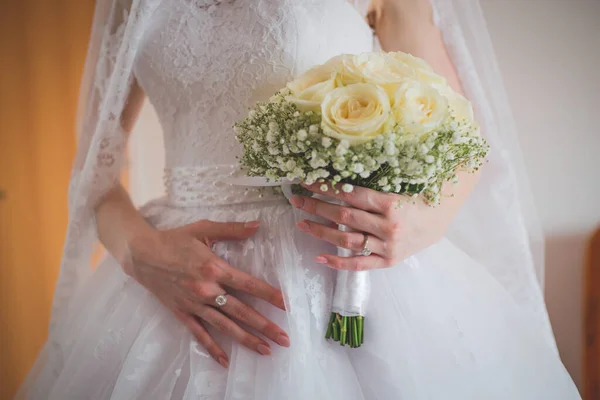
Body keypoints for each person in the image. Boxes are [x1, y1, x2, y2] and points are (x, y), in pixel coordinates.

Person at [17, 0, 581, 399]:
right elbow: (95, 170)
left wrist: (417, 224)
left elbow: (466, 143)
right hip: (172, 279)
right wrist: (140, 253)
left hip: (338, 270)